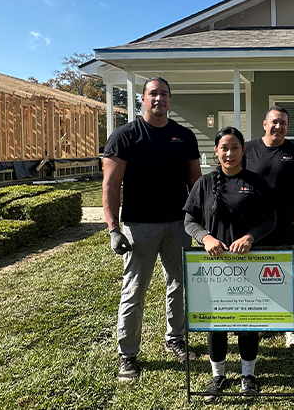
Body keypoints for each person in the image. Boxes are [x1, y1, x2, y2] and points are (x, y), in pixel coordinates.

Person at [102, 77, 202, 381]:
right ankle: (127, 355)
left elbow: (195, 184)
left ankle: (176, 339)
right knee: (134, 291)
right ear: (142, 100)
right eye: (153, 93)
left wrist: (199, 222)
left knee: (179, 285)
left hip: (178, 225)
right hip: (138, 227)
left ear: (171, 101)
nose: (159, 98)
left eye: (164, 94)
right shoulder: (124, 137)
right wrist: (113, 228)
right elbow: (111, 184)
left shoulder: (184, 137)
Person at [183, 126, 277, 402]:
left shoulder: (256, 183)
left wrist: (250, 237)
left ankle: (248, 375)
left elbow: (270, 219)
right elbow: (189, 221)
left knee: (247, 321)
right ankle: (218, 375)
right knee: (217, 323)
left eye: (235, 147)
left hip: (248, 265)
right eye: (224, 148)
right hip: (214, 266)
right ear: (216, 151)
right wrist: (205, 237)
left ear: (243, 150)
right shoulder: (204, 184)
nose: (229, 153)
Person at [244, 106, 294, 348]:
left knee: (288, 276)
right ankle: (260, 323)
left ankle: (289, 325)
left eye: (283, 123)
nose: (278, 127)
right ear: (264, 124)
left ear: (287, 127)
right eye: (274, 122)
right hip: (255, 227)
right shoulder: (247, 149)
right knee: (256, 275)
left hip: (288, 225)